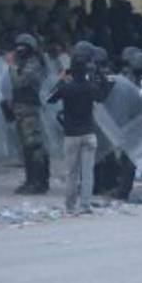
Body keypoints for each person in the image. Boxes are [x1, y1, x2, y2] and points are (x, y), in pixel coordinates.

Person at [48, 49, 109, 214]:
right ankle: (85, 205)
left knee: (71, 173)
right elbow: (103, 96)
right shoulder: (90, 87)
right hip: (89, 133)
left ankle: (70, 206)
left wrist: (61, 80)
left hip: (71, 135)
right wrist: (101, 76)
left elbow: (50, 98)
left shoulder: (67, 88)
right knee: (87, 172)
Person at [9, 33, 50, 194]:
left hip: (29, 109)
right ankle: (32, 180)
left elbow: (19, 82)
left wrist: (12, 66)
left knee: (33, 146)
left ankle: (37, 181)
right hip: (22, 108)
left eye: (22, 47)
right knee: (27, 146)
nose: (18, 50)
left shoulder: (33, 64)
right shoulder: (26, 62)